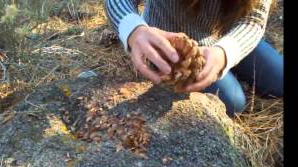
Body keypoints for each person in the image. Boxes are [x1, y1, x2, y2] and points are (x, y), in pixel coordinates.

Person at [105, 0, 283, 117]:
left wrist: (224, 53)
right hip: (168, 43)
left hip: (228, 35)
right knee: (233, 102)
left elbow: (253, 20)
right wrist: (135, 30)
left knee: (280, 80)